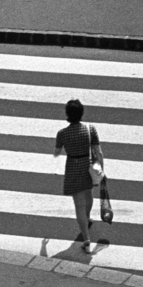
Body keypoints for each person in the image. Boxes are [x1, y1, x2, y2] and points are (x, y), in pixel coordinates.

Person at [54, 99, 104, 254]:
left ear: (67, 114)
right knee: (88, 195)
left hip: (73, 167)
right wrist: (101, 170)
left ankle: (87, 238)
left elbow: (56, 153)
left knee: (78, 204)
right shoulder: (90, 129)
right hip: (87, 165)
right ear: (81, 113)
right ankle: (87, 218)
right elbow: (98, 152)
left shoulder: (62, 133)